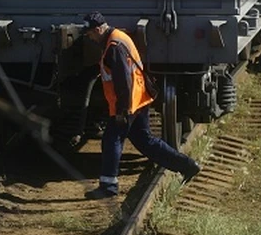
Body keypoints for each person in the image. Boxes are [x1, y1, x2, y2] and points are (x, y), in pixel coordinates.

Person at [81, 11, 201, 200]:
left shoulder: (114, 47)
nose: (90, 38)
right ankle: (187, 166)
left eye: (90, 34)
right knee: (146, 141)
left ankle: (108, 186)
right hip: (138, 99)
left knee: (112, 140)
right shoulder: (118, 38)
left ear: (98, 29)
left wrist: (122, 110)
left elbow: (123, 82)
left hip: (128, 103)